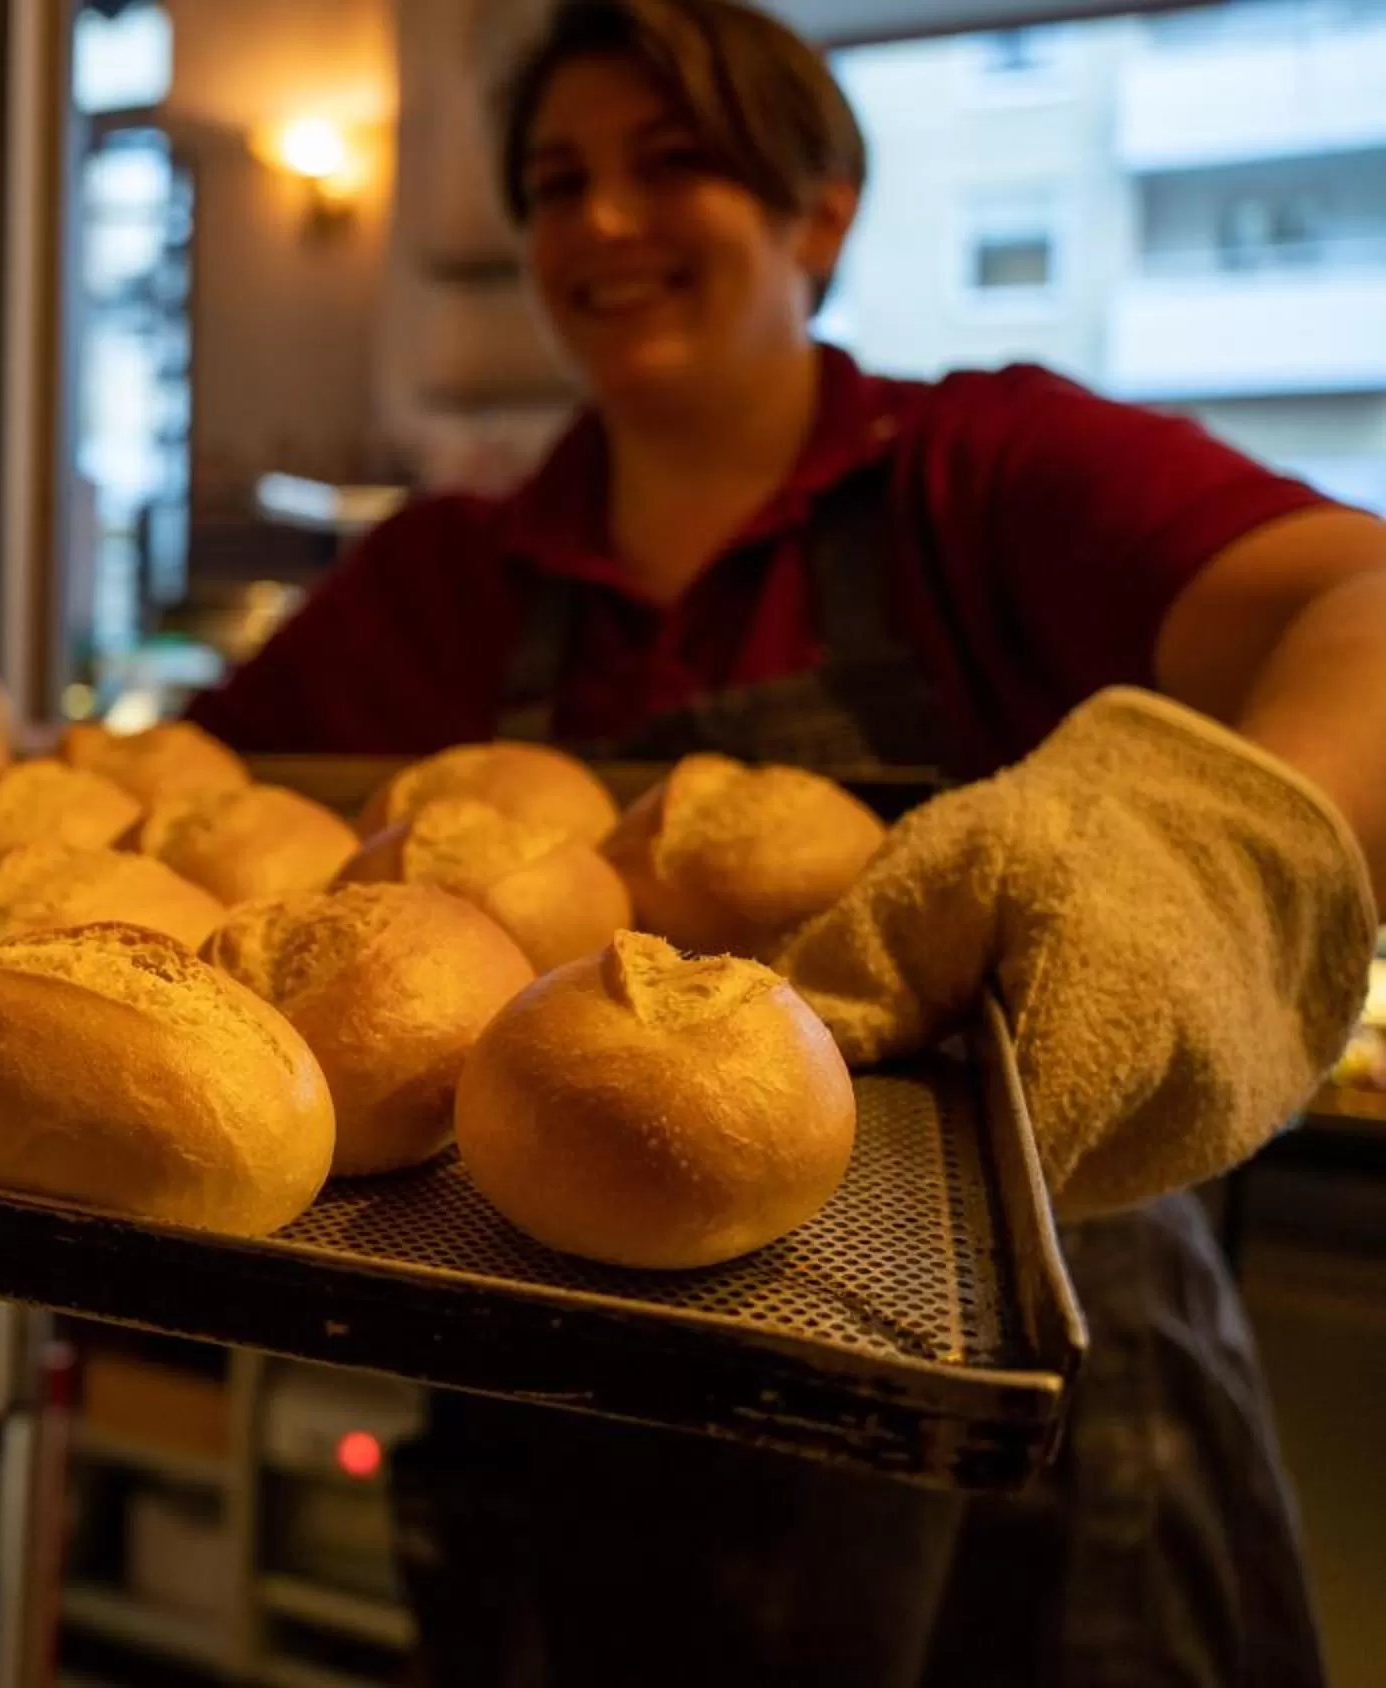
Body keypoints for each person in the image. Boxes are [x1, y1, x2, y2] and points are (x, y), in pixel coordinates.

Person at [184, 1, 1386, 1682]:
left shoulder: (976, 471)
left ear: (819, 211)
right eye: (555, 182)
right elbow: (179, 798)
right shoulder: (461, 571)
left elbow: (1363, 601)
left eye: (673, 164)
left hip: (1019, 1387)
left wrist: (1211, 843)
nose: (601, 220)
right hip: (573, 1381)